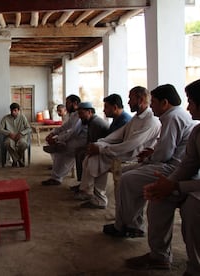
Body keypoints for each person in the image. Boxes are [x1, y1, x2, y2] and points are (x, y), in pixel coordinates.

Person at [125, 79, 200, 276]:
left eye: (191, 101)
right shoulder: (198, 131)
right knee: (159, 196)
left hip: (192, 184)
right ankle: (159, 256)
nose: (188, 107)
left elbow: (166, 155)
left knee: (193, 208)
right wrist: (168, 184)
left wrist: (176, 186)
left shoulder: (173, 117)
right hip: (186, 178)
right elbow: (189, 163)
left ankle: (195, 268)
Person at [103, 84, 195, 237]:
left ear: (164, 103)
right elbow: (168, 147)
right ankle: (130, 223)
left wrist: (149, 159)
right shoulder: (173, 115)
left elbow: (164, 154)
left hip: (172, 168)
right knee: (125, 174)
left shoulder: (171, 117)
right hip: (169, 163)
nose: (151, 106)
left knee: (126, 179)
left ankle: (126, 225)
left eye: (153, 102)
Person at [76, 86, 161, 209]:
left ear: (140, 99)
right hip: (123, 151)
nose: (128, 102)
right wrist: (100, 143)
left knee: (96, 157)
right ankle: (94, 196)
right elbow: (118, 134)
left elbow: (131, 144)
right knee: (94, 156)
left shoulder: (151, 121)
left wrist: (101, 149)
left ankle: (90, 193)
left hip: (133, 155)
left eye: (130, 99)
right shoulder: (136, 118)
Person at [41, 102, 109, 186]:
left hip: (95, 147)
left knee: (65, 150)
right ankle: (59, 177)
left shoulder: (95, 122)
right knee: (62, 149)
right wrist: (54, 134)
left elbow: (73, 133)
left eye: (81, 113)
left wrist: (58, 140)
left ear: (90, 112)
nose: (80, 116)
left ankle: (63, 179)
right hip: (87, 143)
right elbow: (66, 127)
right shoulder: (79, 116)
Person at [73, 94, 131, 184]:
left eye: (106, 107)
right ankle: (85, 185)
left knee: (88, 157)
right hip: (108, 148)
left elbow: (117, 142)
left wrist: (97, 148)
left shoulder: (124, 120)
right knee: (83, 153)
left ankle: (88, 188)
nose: (103, 110)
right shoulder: (117, 118)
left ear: (115, 107)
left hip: (118, 153)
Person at [0, 102, 31, 167]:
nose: (13, 112)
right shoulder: (6, 118)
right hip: (10, 137)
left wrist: (21, 133)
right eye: (12, 110)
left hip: (21, 137)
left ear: (18, 110)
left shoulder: (22, 117)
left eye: (15, 110)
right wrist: (9, 133)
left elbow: (29, 128)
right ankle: (19, 160)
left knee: (23, 144)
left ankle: (15, 160)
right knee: (7, 143)